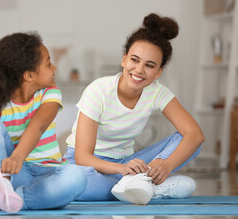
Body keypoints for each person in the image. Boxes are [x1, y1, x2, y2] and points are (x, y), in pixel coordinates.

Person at [64, 13, 205, 203]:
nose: (139, 70)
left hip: (126, 163)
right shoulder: (98, 90)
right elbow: (82, 156)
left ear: (158, 72)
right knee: (79, 184)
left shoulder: (157, 93)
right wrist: (122, 170)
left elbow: (195, 134)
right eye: (135, 60)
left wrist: (164, 165)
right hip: (88, 165)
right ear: (124, 59)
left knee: (189, 142)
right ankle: (146, 188)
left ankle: (136, 185)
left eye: (150, 65)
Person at [0, 32, 87, 212]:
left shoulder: (50, 93)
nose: (54, 67)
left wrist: (18, 156)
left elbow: (38, 126)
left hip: (47, 173)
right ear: (29, 75)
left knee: (77, 176)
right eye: (48, 63)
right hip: (14, 175)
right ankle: (2, 187)